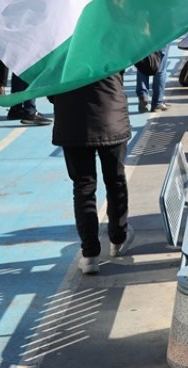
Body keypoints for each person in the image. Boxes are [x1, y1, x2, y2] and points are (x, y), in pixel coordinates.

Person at [52, 72, 133, 275]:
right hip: (110, 114)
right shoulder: (113, 40)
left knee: (84, 187)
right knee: (115, 180)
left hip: (72, 119)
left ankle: (89, 255)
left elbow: (50, 90)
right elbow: (151, 66)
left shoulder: (60, 43)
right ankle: (118, 238)